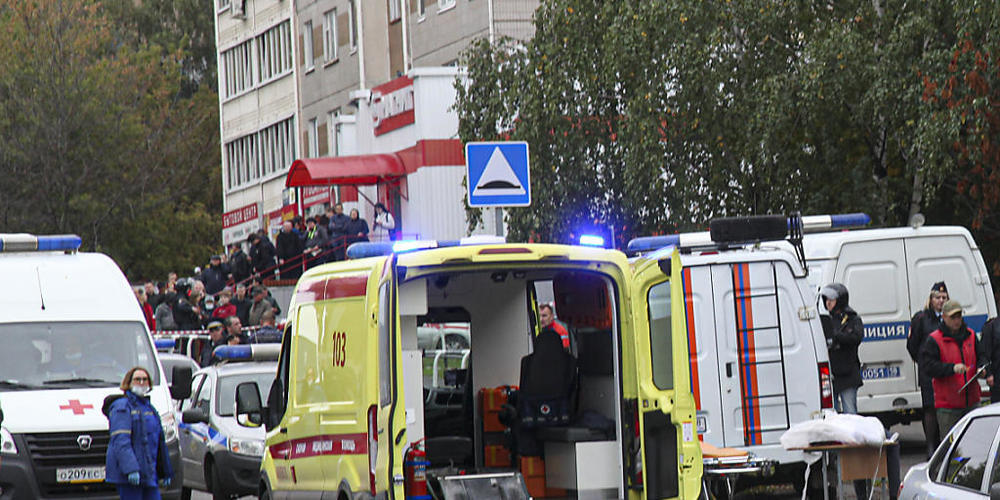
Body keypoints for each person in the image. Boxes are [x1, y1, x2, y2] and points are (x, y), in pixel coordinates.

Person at [920, 299, 989, 437]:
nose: (957, 320)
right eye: (953, 317)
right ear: (944, 317)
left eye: (959, 316)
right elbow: (928, 367)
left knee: (976, 442)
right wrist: (952, 368)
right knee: (953, 448)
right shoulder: (934, 339)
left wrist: (982, 368)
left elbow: (982, 355)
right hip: (948, 406)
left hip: (972, 401)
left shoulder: (970, 335)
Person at [103, 367, 173, 499]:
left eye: (145, 379)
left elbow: (159, 442)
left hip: (148, 474)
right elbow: (121, 440)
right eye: (137, 379)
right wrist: (131, 469)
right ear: (128, 383)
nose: (141, 382)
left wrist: (165, 471)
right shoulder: (122, 407)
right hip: (130, 477)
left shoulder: (149, 408)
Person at [906, 281, 948, 457]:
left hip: (945, 370)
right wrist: (924, 363)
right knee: (930, 408)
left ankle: (945, 448)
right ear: (930, 299)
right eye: (937, 297)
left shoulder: (950, 317)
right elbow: (912, 346)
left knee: (945, 408)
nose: (940, 301)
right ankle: (931, 447)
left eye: (944, 297)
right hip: (928, 372)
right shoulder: (921, 319)